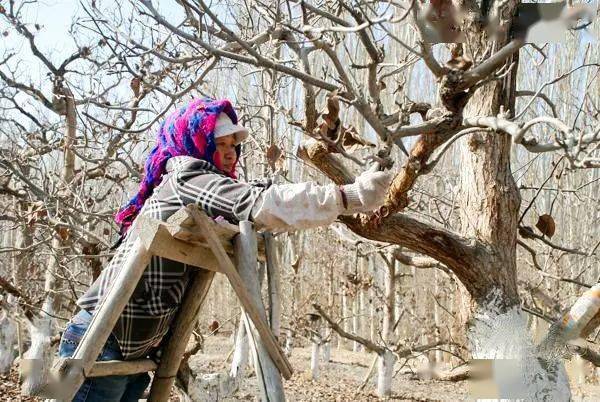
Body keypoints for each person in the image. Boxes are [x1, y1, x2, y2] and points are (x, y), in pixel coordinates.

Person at [58, 98, 391, 401]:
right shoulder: (187, 175)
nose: (231, 152)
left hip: (129, 345)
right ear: (196, 142)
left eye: (234, 144)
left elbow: (253, 199)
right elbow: (260, 203)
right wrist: (348, 197)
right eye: (220, 143)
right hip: (102, 342)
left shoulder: (204, 191)